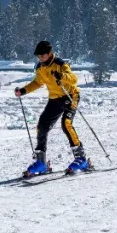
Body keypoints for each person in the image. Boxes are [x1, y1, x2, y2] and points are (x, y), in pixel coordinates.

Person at [14, 40, 90, 176]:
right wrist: (24, 90)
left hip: (70, 96)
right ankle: (41, 163)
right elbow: (38, 82)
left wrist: (62, 76)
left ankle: (81, 159)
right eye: (38, 56)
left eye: (42, 55)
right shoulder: (40, 67)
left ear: (50, 54)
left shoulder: (60, 64)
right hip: (55, 99)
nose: (40, 58)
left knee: (66, 124)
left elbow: (73, 79)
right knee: (42, 125)